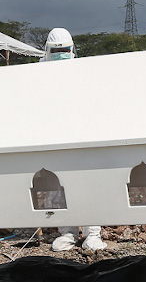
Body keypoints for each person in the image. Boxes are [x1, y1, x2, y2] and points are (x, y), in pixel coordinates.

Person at [39, 28, 107, 252]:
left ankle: (92, 233)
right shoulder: (37, 73)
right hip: (52, 135)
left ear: (72, 49)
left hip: (81, 135)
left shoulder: (83, 70)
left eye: (64, 50)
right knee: (56, 185)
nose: (61, 54)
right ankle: (67, 232)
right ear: (48, 50)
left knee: (87, 182)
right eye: (56, 50)